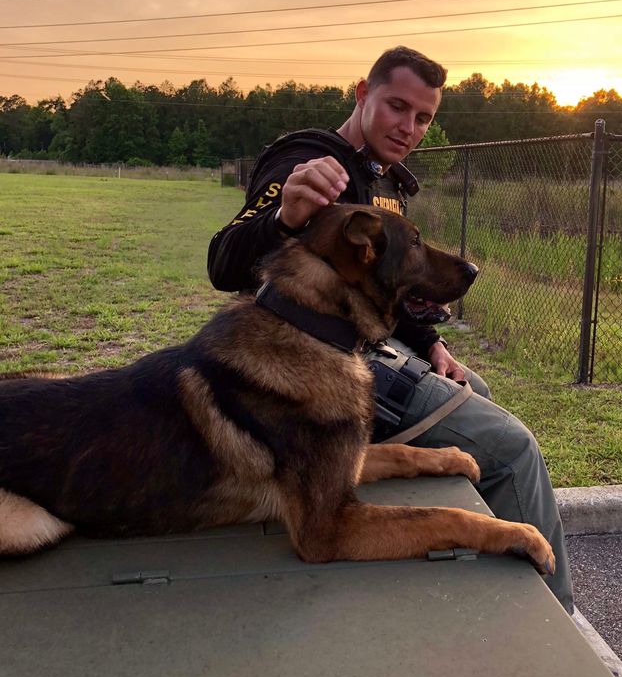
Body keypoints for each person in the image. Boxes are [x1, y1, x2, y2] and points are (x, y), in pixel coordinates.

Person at [207, 45, 574, 613]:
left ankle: (476, 593)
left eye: (423, 117)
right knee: (513, 449)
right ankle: (558, 620)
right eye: (396, 107)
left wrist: (433, 344)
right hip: (316, 367)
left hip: (373, 346)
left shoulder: (384, 178)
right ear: (361, 93)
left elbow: (390, 290)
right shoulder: (315, 164)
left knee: (476, 389)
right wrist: (284, 217)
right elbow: (224, 263)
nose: (409, 128)